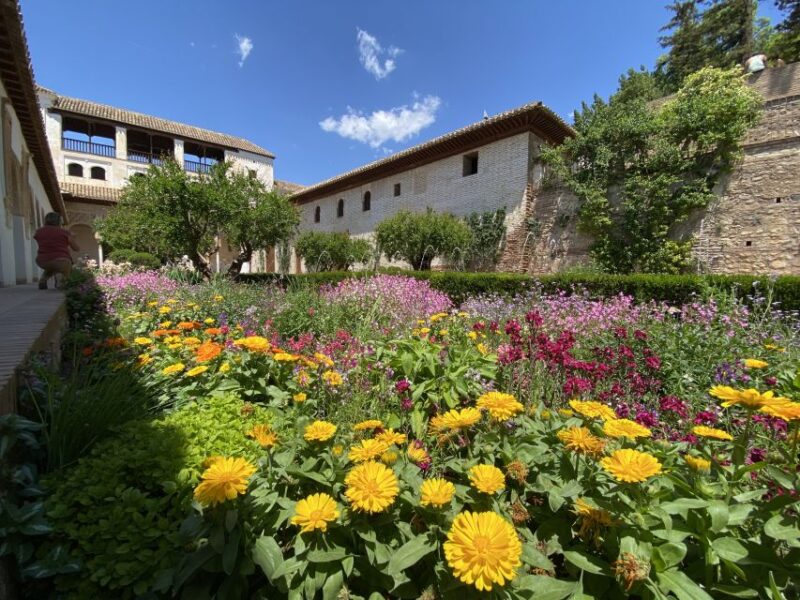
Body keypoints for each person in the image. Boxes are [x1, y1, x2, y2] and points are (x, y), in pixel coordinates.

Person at [33, 212, 78, 290]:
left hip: (41, 261)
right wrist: (72, 237)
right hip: (61, 261)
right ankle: (61, 281)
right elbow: (76, 248)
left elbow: (40, 238)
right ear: (59, 221)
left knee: (52, 266)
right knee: (64, 265)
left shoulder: (39, 231)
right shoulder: (64, 233)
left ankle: (43, 280)